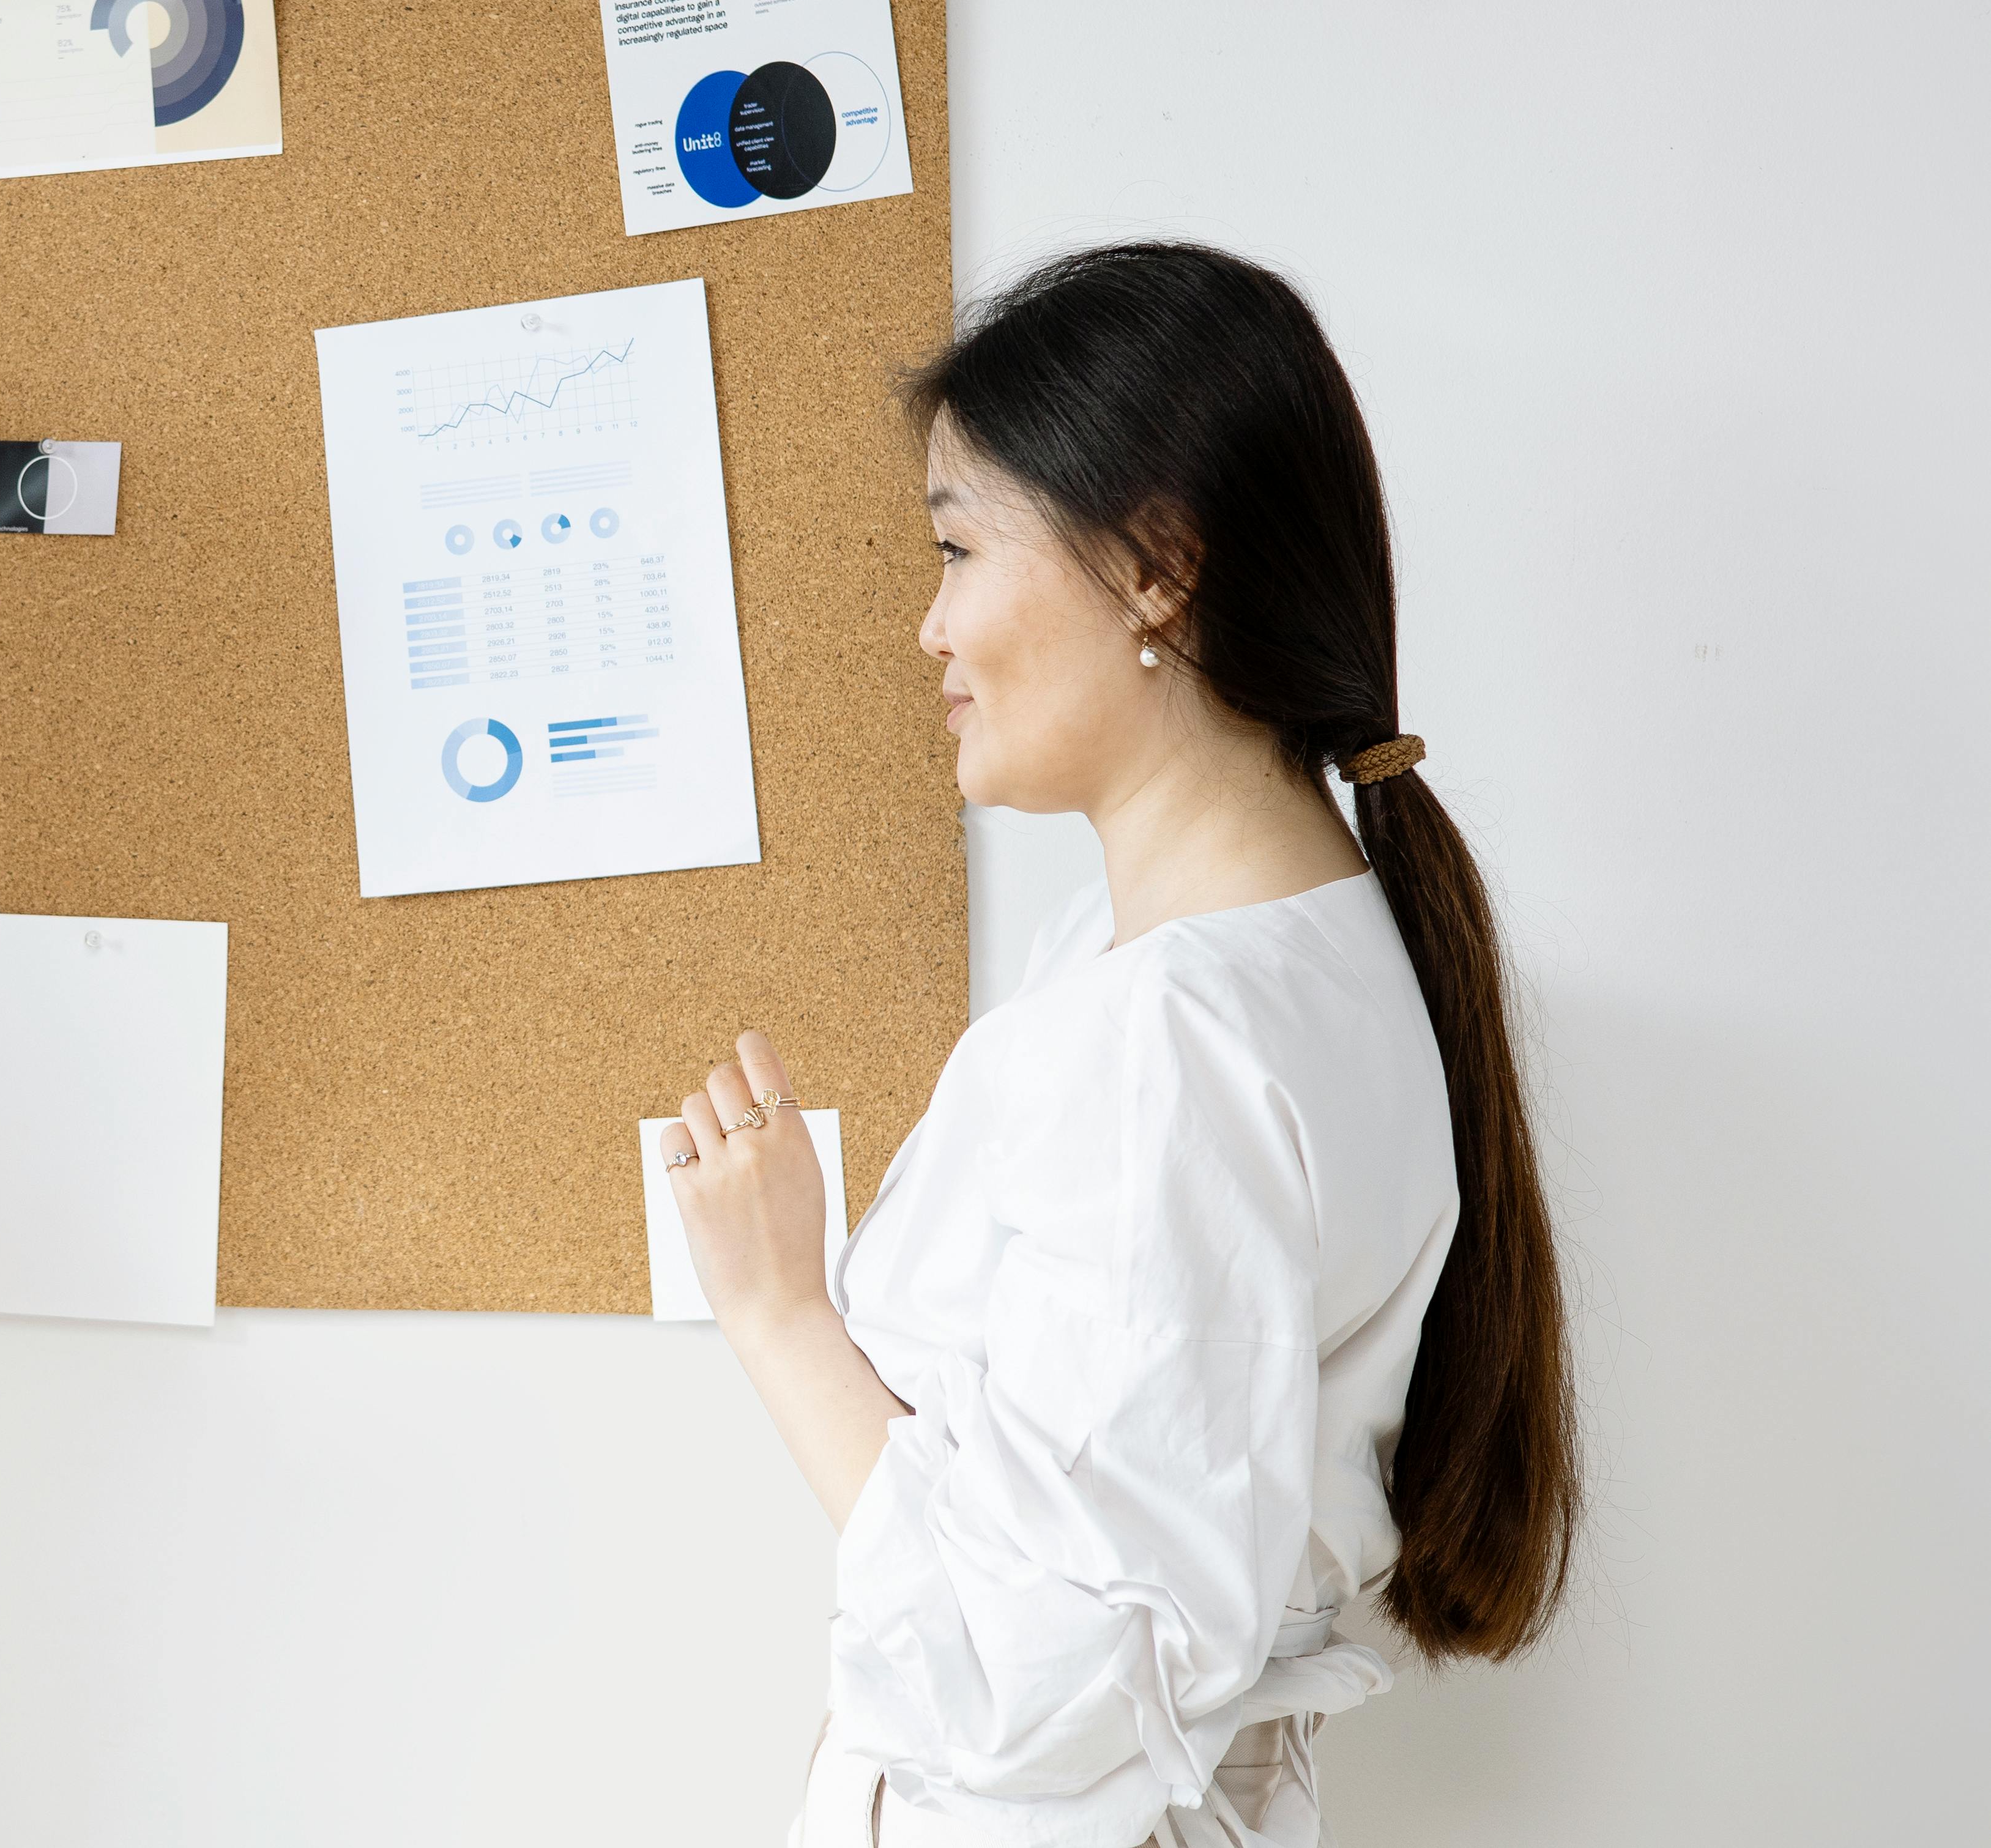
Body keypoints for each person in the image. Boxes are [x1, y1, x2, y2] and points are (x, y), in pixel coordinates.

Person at [661, 242, 1579, 1847]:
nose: (926, 629)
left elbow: (1043, 1684)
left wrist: (778, 1310)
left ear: (1156, 567)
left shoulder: (1165, 1037)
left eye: (954, 550)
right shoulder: (1275, 954)